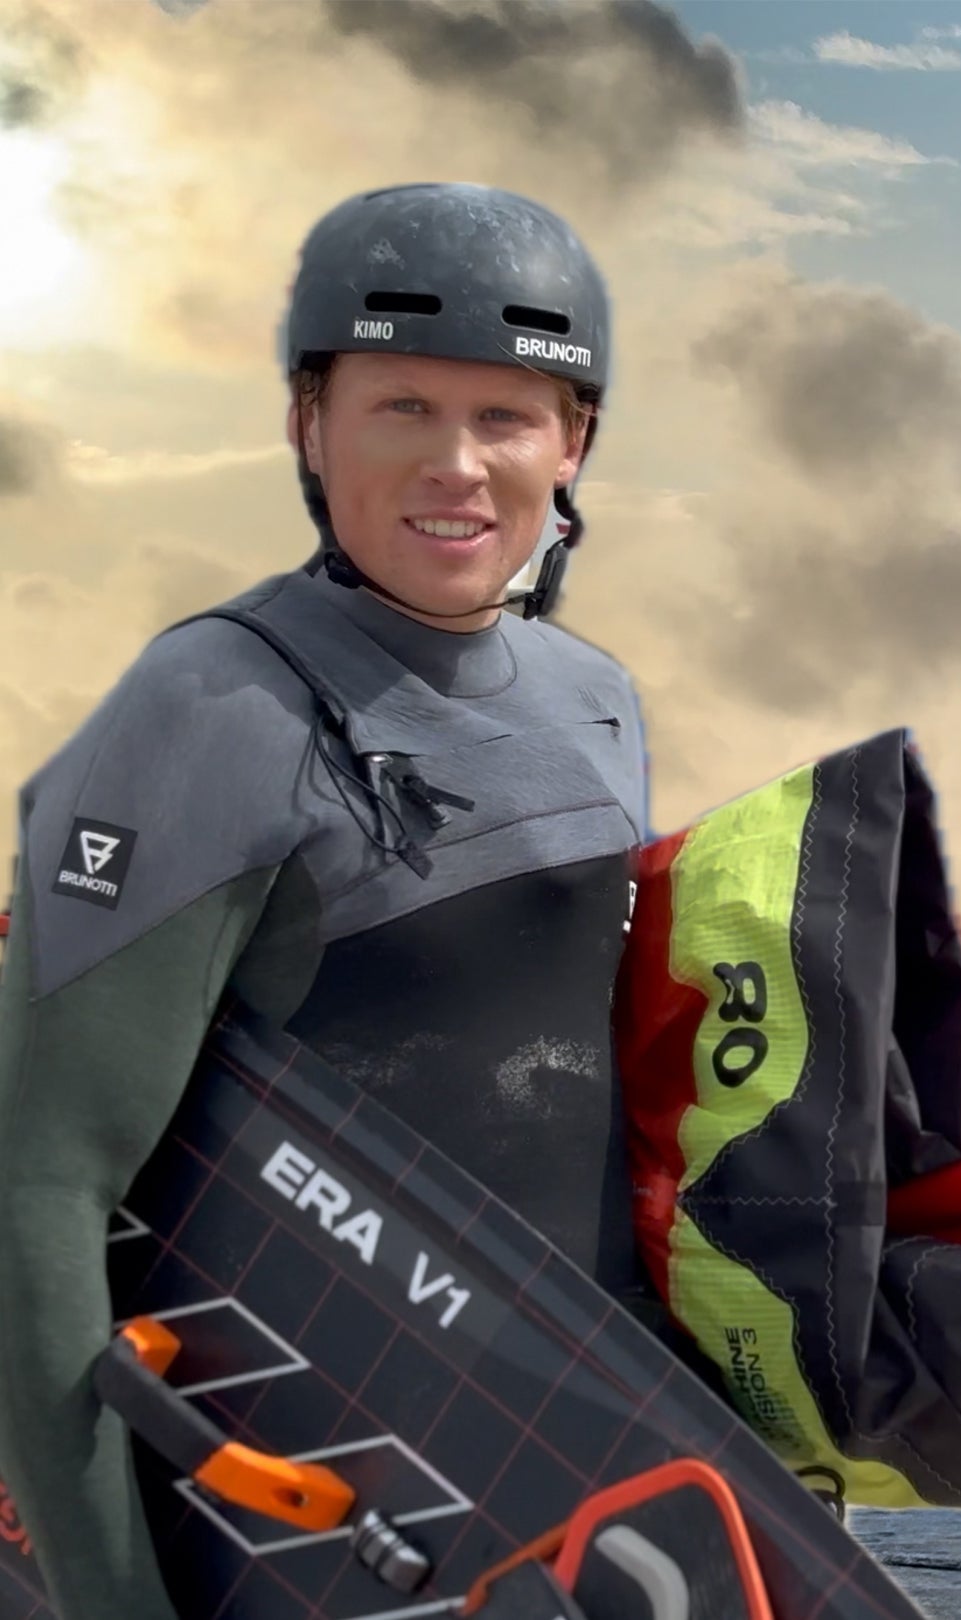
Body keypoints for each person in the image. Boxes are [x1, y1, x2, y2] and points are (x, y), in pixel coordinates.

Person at [0, 182, 678, 1620]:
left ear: (576, 442)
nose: (457, 465)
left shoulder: (596, 702)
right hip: (291, 1508)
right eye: (401, 407)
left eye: (507, 416)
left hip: (555, 1487)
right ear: (311, 425)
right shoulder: (209, 706)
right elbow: (37, 1189)